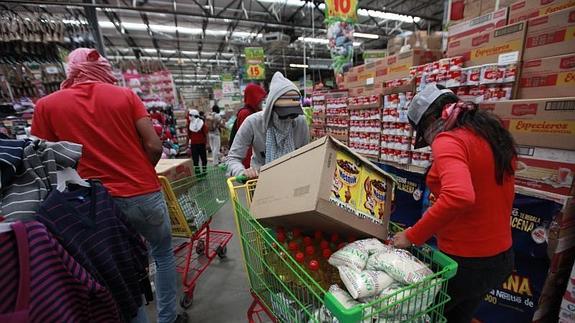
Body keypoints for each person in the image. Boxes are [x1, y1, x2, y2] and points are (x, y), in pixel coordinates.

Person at [30, 48, 184, 323]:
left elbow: (39, 162)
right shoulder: (126, 96)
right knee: (161, 254)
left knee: (115, 273)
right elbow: (154, 145)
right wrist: (138, 171)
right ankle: (168, 318)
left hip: (93, 206)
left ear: (72, 70)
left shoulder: (47, 105)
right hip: (142, 193)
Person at [392, 84, 516, 323]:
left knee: (422, 317)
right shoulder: (489, 134)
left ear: (429, 120)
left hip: (466, 264)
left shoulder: (448, 140)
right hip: (500, 259)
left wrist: (412, 235)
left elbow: (459, 195)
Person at [226, 71, 309, 178]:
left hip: (293, 179)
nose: (289, 119)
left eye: (293, 114)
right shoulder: (253, 123)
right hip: (259, 180)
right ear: (271, 109)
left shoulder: (300, 122)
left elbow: (306, 155)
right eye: (284, 115)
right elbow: (233, 158)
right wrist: (241, 172)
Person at [229, 83, 267, 168]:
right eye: (260, 99)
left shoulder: (252, 112)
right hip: (247, 160)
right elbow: (245, 141)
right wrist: (247, 167)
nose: (262, 102)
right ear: (254, 98)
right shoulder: (246, 114)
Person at [188, 109, 208, 174]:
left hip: (201, 143)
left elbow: (206, 133)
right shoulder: (189, 124)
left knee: (203, 158)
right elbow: (188, 135)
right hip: (194, 144)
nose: (189, 116)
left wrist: (207, 143)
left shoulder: (201, 123)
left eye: (190, 115)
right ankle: (197, 172)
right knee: (195, 159)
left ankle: (204, 171)